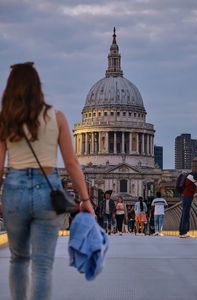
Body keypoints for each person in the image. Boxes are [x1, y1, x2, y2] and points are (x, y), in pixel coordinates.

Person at [0, 62, 94, 300]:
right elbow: (72, 164)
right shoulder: (57, 117)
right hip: (47, 189)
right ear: (38, 87)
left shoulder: (5, 120)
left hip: (14, 187)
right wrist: (85, 199)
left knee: (19, 259)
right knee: (42, 266)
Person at [179, 160, 197, 238]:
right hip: (187, 196)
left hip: (185, 195)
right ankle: (184, 232)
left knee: (185, 214)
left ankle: (183, 232)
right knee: (185, 214)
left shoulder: (192, 174)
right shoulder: (196, 174)